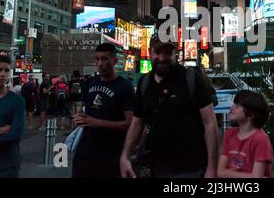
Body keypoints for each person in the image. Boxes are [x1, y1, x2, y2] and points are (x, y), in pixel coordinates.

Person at [120, 34, 219, 178]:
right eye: (157, 52)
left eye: (167, 53)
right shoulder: (144, 83)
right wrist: (125, 156)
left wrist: (212, 169)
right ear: (149, 52)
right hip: (156, 167)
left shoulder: (191, 79)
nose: (162, 57)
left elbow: (210, 124)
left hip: (191, 169)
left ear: (175, 54)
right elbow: (137, 123)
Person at [72, 43, 134, 178]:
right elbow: (82, 107)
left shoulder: (125, 87)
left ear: (115, 61)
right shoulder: (90, 82)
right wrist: (78, 116)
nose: (100, 63)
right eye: (97, 59)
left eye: (105, 59)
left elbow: (130, 124)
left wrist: (98, 123)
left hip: (110, 156)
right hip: (84, 154)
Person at [217, 90, 273, 178]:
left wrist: (228, 173)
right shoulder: (229, 134)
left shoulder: (261, 139)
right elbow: (220, 172)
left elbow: (257, 177)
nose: (231, 107)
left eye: (238, 105)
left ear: (251, 114)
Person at [0, 56, 25, 178]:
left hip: (6, 166)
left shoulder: (17, 101)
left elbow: (15, 134)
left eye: (7, 70)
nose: (3, 74)